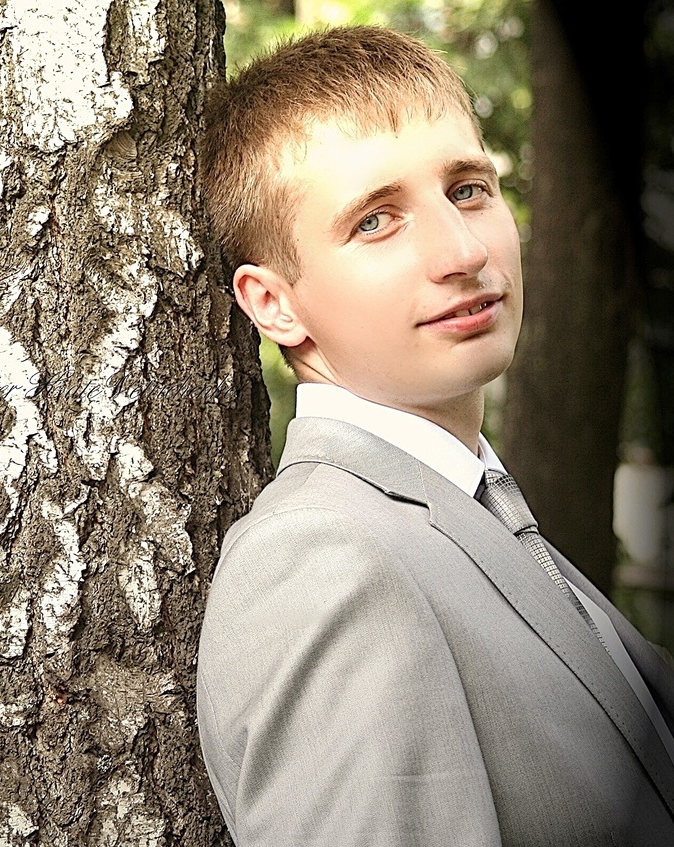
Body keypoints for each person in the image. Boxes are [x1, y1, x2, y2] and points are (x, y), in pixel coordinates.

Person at [196, 24, 674, 846]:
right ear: (275, 303)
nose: (461, 250)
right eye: (376, 221)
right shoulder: (320, 562)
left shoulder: (473, 510)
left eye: (468, 189)